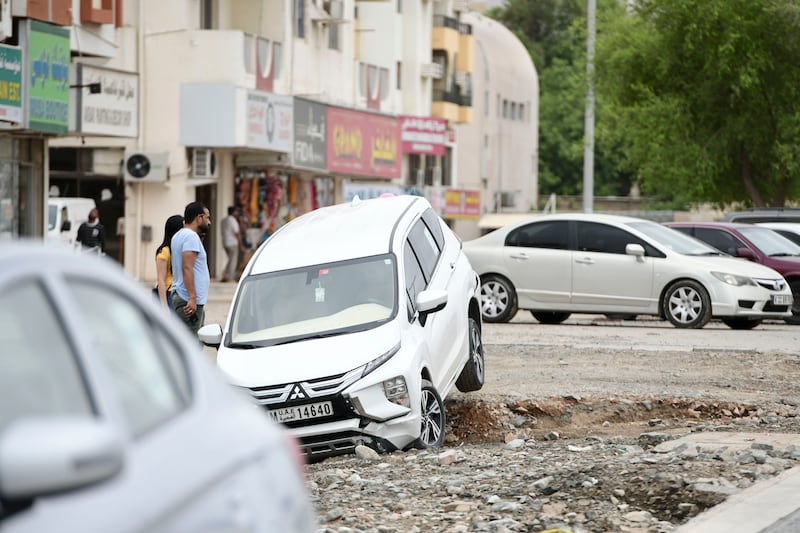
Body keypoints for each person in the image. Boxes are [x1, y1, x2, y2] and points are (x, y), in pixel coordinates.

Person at [171, 202, 211, 334]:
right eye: (207, 217)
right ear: (198, 218)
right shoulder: (191, 236)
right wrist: (192, 298)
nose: (209, 222)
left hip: (185, 298)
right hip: (188, 300)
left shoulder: (179, 235)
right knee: (192, 345)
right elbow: (187, 267)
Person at [154, 214, 184, 312]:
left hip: (180, 292)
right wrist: (164, 306)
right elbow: (161, 279)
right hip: (169, 293)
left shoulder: (181, 248)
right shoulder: (165, 251)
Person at [220, 206, 244, 282]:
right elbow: (237, 233)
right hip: (232, 242)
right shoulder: (232, 220)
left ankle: (225, 274)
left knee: (230, 259)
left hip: (225, 242)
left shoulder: (223, 220)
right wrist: (241, 244)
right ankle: (229, 276)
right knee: (233, 260)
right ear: (234, 212)